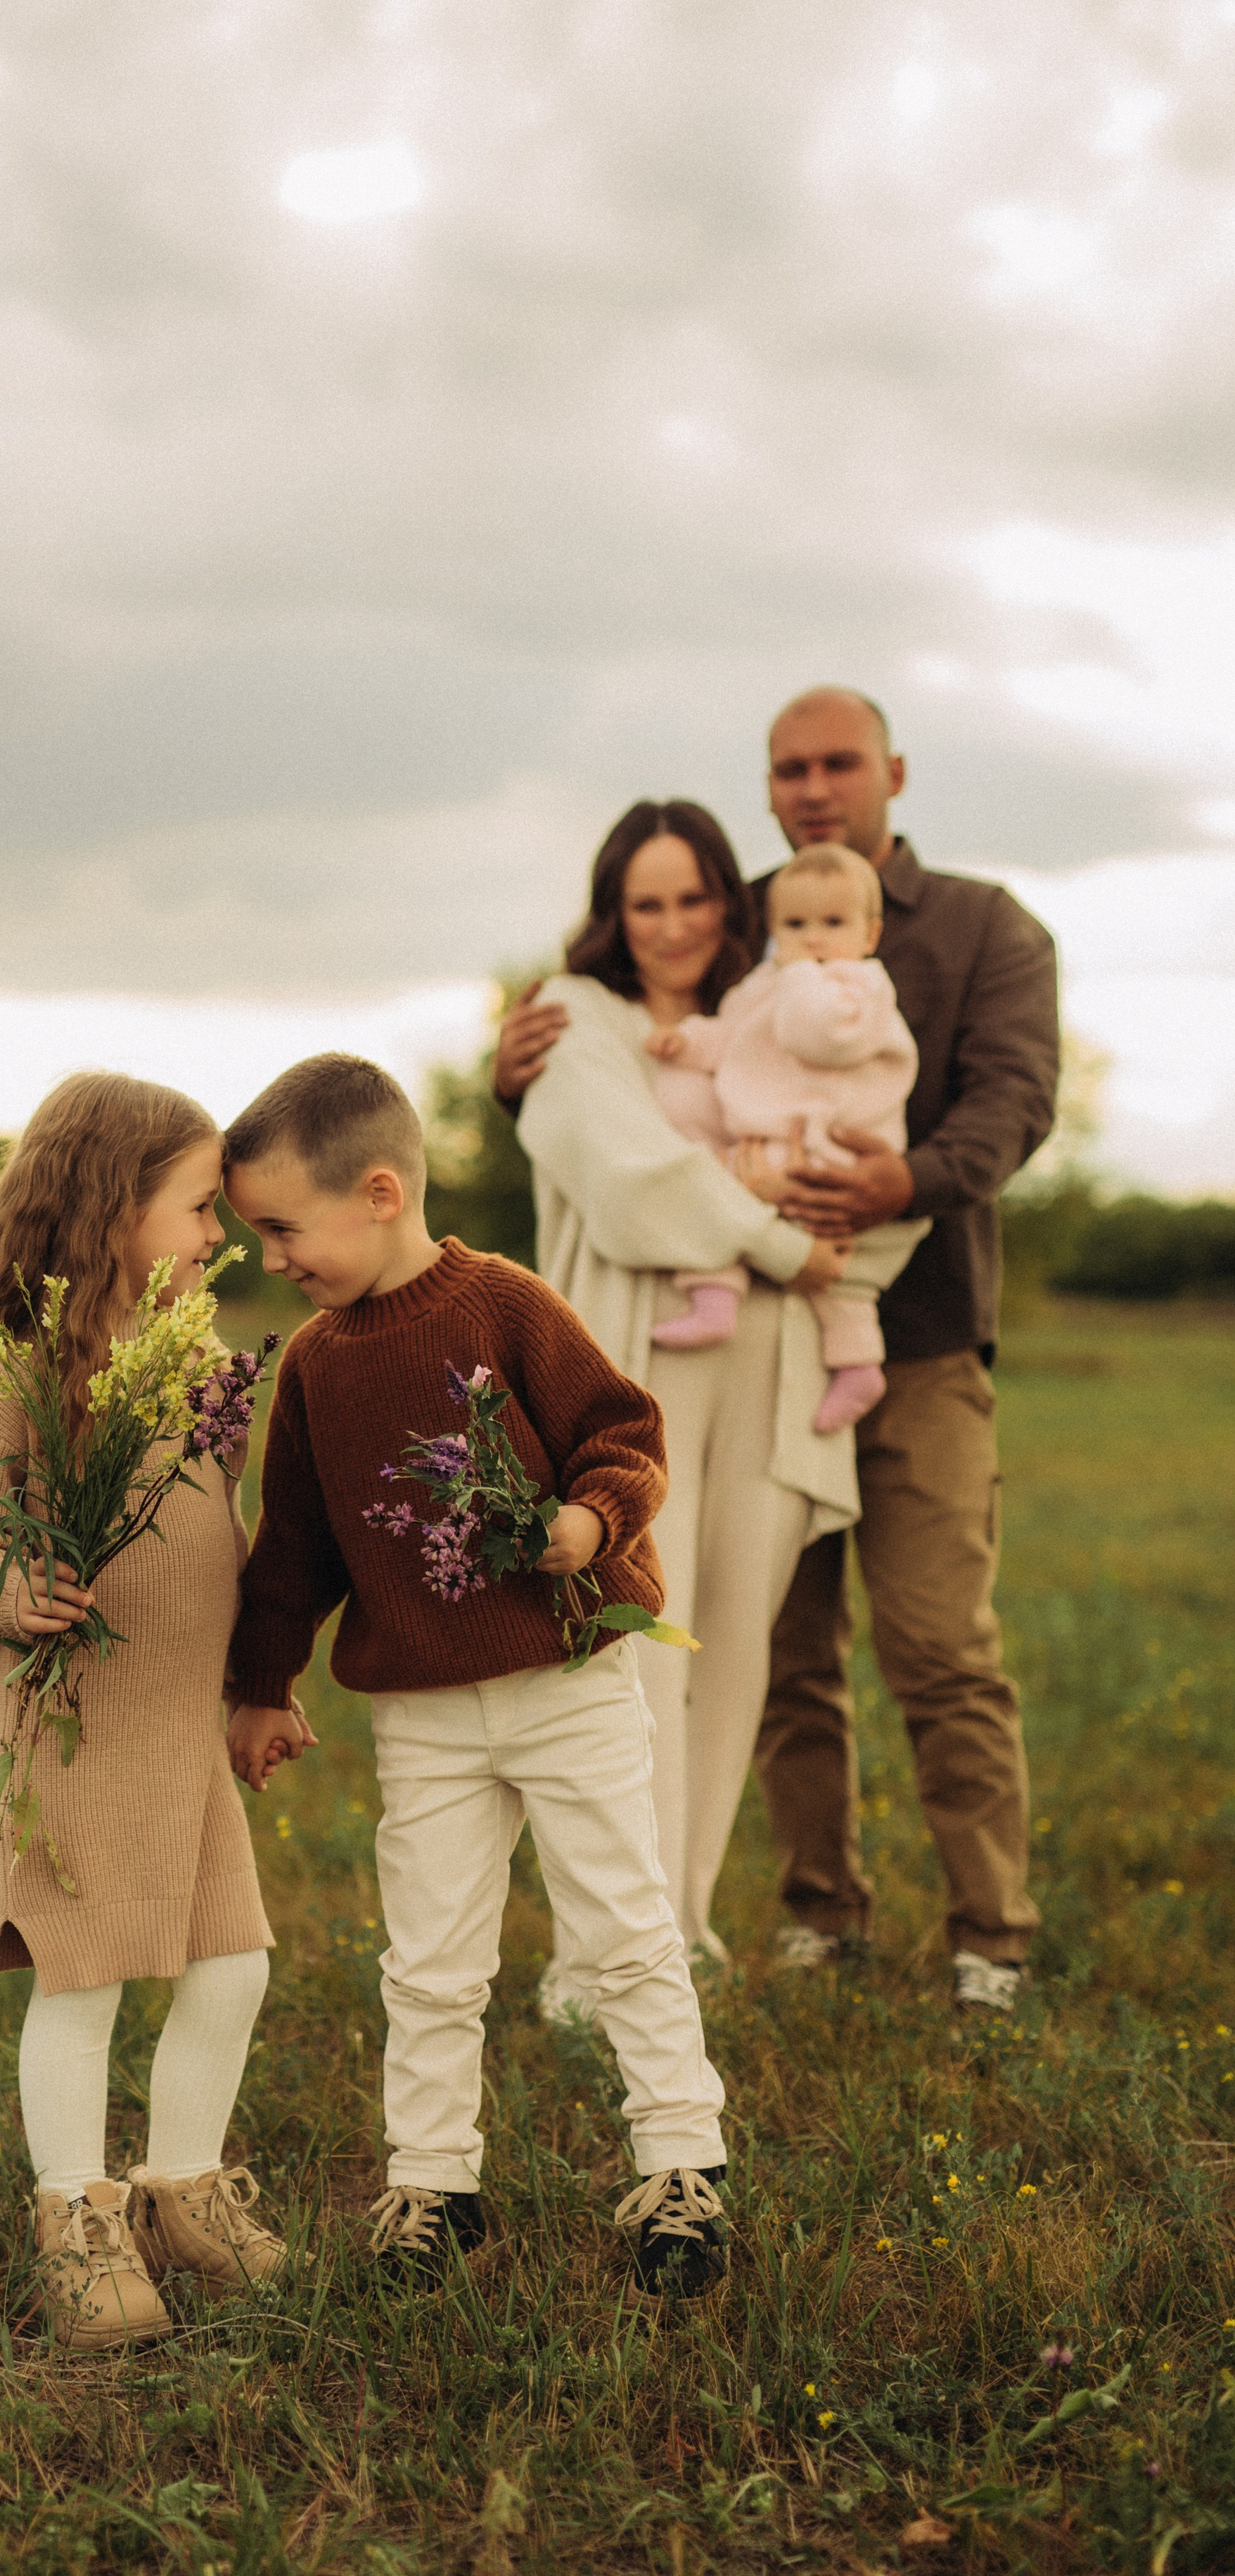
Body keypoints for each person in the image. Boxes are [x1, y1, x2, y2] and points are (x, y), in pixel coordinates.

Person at [497, 690, 1060, 2017]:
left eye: (839, 763)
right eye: (789, 768)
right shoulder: (745, 925)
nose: (815, 787)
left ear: (892, 774)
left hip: (899, 1337)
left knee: (934, 1642)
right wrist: (506, 1077)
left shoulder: (982, 927)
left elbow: (1014, 1104)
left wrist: (894, 1186)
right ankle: (815, 1913)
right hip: (732, 1334)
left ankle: (994, 1932)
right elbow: (612, 1101)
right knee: (758, 1654)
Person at [219, 1053, 731, 2301]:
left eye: (284, 1228)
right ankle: (434, 2183)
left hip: (565, 1682)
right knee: (431, 1954)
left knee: (621, 1925)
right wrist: (261, 1682)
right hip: (424, 1713)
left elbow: (625, 1432)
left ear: (381, 1192)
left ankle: (679, 2169)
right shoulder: (317, 1367)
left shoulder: (504, 1307)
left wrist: (591, 1525)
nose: (274, 1258)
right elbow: (294, 1547)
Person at [0, 1073, 288, 2352]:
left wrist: (256, 1691)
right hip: (71, 1733)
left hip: (182, 1742)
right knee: (80, 1985)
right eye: (196, 1207)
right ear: (112, 1210)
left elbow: (217, 1536)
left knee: (232, 1964)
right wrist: (8, 1588)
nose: (214, 1238)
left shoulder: (197, 1372)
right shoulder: (20, 1378)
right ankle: (76, 2218)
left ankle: (181, 2188)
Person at [507, 801, 856, 1972]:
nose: (672, 926)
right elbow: (628, 1180)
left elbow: (842, 1127)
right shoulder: (571, 1020)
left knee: (732, 1652)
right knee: (630, 1651)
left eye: (695, 898)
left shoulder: (761, 1016)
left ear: (731, 899)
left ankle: (683, 1928)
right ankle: (597, 1955)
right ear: (614, 913)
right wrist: (776, 1234)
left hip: (771, 1356)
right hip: (637, 1359)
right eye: (645, 903)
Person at [647, 839, 928, 1434]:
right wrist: (690, 1042)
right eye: (796, 924)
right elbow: (735, 1038)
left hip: (831, 1143)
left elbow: (817, 1038)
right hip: (776, 1138)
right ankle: (720, 1300)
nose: (814, 938)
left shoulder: (862, 988)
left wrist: (799, 974)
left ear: (869, 934)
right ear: (773, 929)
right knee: (717, 1192)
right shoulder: (769, 984)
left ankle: (855, 1364)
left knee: (830, 1263)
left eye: (833, 923)